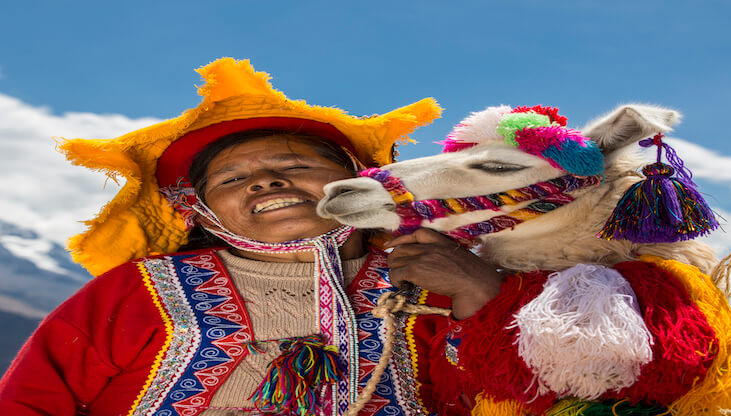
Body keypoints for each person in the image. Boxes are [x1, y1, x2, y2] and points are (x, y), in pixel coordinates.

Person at [0, 58, 507, 416]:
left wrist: (481, 293)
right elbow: (28, 400)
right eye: (231, 180)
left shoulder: (435, 277)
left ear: (361, 182)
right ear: (196, 212)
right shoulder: (142, 291)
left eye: (295, 164)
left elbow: (510, 396)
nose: (265, 182)